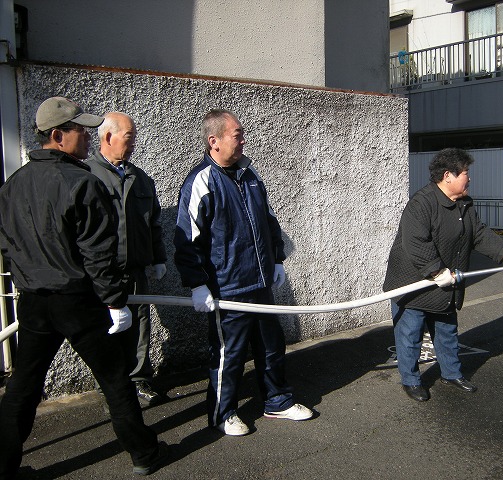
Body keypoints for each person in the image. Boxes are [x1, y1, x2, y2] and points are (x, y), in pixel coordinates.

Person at [0, 97, 165, 477]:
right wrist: (115, 302)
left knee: (23, 386)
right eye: (81, 131)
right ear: (58, 136)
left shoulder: (13, 185)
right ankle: (144, 454)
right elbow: (97, 252)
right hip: (77, 301)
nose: (89, 137)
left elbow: (8, 245)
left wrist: (28, 277)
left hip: (34, 301)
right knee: (115, 379)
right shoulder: (81, 182)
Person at [173, 109, 313, 436]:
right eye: (237, 135)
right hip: (228, 288)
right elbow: (187, 239)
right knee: (229, 355)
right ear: (214, 141)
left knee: (271, 346)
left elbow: (269, 220)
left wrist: (276, 260)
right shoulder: (201, 182)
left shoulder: (250, 175)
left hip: (260, 283)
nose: (243, 140)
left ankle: (277, 401)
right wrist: (197, 284)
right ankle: (223, 414)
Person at [383, 148, 503, 402]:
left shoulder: (464, 204)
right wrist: (436, 271)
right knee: (410, 335)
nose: (469, 178)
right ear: (448, 176)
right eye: (465, 173)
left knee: (447, 331)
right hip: (413, 283)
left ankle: (451, 373)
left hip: (445, 283)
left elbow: (479, 234)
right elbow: (416, 242)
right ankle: (411, 380)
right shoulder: (421, 203)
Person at [85, 112, 167, 405]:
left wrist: (158, 258)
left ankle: (139, 380)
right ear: (108, 137)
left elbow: (153, 223)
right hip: (101, 273)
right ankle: (111, 385)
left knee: (140, 326)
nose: (133, 145)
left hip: (135, 270)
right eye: (129, 138)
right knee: (105, 328)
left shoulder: (140, 178)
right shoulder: (87, 175)